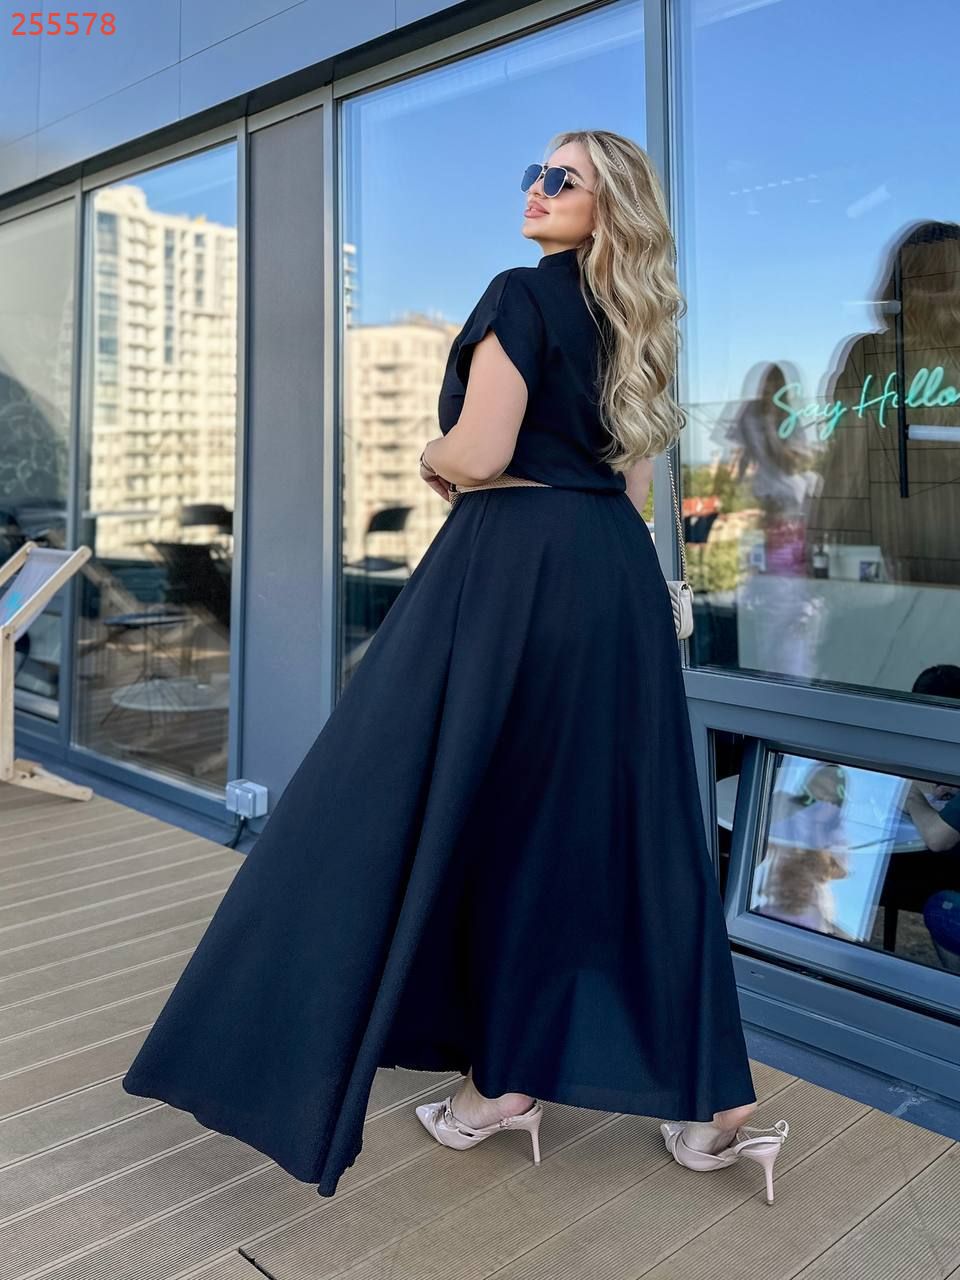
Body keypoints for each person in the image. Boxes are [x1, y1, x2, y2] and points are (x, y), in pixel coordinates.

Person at [121, 128, 788, 1203]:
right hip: (613, 579)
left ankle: (495, 1085)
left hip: (515, 569)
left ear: (608, 205)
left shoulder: (520, 295)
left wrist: (434, 457)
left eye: (562, 179)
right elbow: (633, 488)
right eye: (533, 172)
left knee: (398, 798)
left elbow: (479, 452)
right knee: (620, 825)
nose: (536, 189)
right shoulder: (639, 325)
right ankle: (709, 1101)